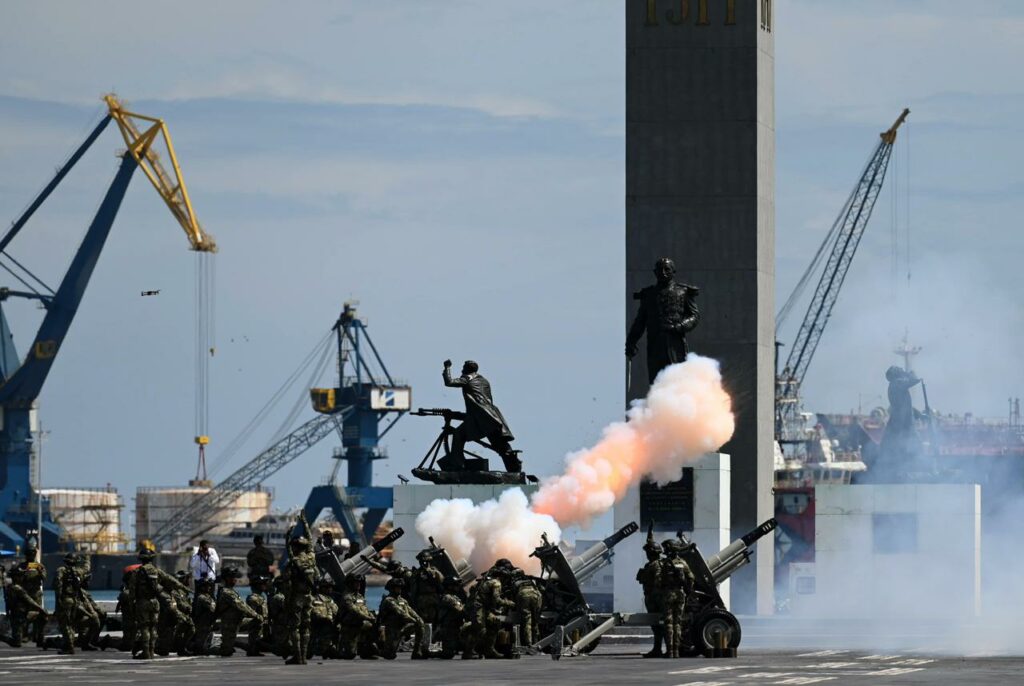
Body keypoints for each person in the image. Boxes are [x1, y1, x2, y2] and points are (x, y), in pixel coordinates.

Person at [626, 257, 700, 384]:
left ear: (673, 271)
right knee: (657, 381)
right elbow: (640, 322)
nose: (663, 273)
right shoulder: (648, 295)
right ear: (655, 272)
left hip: (675, 343)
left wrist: (679, 326)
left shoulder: (683, 292)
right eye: (660, 270)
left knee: (678, 379)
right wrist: (631, 342)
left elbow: (694, 316)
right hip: (655, 343)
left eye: (667, 269)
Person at [442, 359, 520, 472]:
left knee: (458, 435)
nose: (461, 370)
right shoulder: (484, 381)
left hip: (480, 419)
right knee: (501, 446)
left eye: (463, 368)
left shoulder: (467, 378)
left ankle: (457, 466)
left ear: (467, 370)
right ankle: (515, 469)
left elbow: (449, 382)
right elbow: (482, 404)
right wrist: (455, 415)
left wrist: (447, 368)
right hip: (492, 417)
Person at [131, 544, 185, 660]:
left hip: (142, 602)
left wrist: (132, 604)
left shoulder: (137, 572)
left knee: (144, 627)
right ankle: (151, 651)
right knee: (153, 628)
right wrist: (184, 587)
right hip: (155, 602)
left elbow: (132, 590)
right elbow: (171, 580)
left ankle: (145, 652)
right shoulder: (157, 571)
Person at [283, 530, 318, 664]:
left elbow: (286, 580)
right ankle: (304, 656)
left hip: (297, 598)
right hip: (309, 598)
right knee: (306, 627)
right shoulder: (311, 559)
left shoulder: (294, 561)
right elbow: (317, 576)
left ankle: (298, 656)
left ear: (296, 547)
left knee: (294, 627)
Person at [659, 539, 696, 658]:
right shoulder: (682, 563)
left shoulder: (665, 563)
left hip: (668, 594)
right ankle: (676, 651)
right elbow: (691, 578)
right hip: (680, 594)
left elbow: (659, 580)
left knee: (669, 623)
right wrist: (687, 590)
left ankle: (670, 651)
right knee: (678, 623)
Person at [7, 541, 48, 649]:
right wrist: (23, 572)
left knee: (40, 617)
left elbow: (44, 578)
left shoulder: (39, 566)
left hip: (36, 595)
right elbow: (15, 579)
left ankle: (38, 637)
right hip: (24, 596)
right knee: (22, 617)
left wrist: (39, 571)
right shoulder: (21, 566)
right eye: (29, 554)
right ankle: (23, 636)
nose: (31, 556)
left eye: (32, 554)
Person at [215, 566, 262, 657]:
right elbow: (242, 606)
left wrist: (257, 617)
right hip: (229, 624)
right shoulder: (226, 592)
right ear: (227, 579)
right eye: (233, 578)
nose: (235, 580)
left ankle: (251, 648)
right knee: (226, 651)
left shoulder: (230, 591)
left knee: (257, 623)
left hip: (238, 621)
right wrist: (256, 615)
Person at [377, 577, 426, 660]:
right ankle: (373, 650)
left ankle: (417, 651)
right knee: (389, 655)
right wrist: (413, 620)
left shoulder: (402, 600)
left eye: (400, 588)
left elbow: (411, 611)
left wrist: (418, 619)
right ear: (392, 589)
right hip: (393, 628)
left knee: (420, 625)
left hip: (403, 626)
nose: (399, 589)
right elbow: (401, 612)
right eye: (397, 588)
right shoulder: (388, 600)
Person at [636, 526, 665, 658]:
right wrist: (650, 532)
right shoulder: (652, 564)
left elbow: (659, 583)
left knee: (661, 625)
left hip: (656, 600)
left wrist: (655, 596)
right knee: (655, 626)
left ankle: (666, 649)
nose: (646, 554)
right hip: (651, 598)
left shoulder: (657, 565)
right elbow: (650, 543)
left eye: (649, 552)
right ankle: (657, 649)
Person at [336, 574, 377, 659]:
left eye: (359, 582)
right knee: (350, 655)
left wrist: (371, 616)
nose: (359, 584)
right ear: (350, 584)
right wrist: (368, 617)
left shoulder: (359, 596)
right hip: (349, 626)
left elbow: (364, 608)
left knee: (376, 628)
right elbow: (355, 611)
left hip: (360, 623)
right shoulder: (347, 596)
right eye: (356, 583)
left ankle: (367, 650)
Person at [53, 553, 83, 654]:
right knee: (71, 623)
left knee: (64, 623)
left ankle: (69, 647)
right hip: (74, 599)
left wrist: (58, 598)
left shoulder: (61, 570)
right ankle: (68, 645)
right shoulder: (77, 572)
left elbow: (58, 584)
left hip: (65, 599)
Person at [308, 576, 340, 658]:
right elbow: (316, 612)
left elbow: (337, 612)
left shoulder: (331, 600)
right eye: (327, 587)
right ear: (322, 588)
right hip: (319, 625)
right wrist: (326, 619)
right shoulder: (316, 598)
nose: (330, 589)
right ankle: (323, 648)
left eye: (331, 587)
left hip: (331, 624)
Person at [436, 578, 466, 659]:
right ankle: (430, 653)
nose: (458, 587)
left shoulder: (454, 597)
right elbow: (461, 609)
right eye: (456, 585)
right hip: (449, 629)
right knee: (448, 654)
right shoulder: (447, 597)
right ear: (450, 587)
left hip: (455, 627)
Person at [511, 570, 542, 647]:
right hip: (536, 595)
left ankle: (529, 644)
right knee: (535, 621)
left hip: (523, 595)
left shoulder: (516, 583)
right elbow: (541, 589)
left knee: (527, 620)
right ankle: (537, 642)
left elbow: (513, 596)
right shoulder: (531, 580)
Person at [189, 577, 217, 655]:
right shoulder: (202, 598)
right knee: (201, 650)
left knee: (206, 645)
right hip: (202, 626)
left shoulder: (208, 597)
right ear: (202, 587)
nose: (209, 587)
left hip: (207, 625)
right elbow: (214, 609)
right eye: (207, 586)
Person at [246, 575, 270, 656]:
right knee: (255, 636)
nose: (265, 585)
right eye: (262, 584)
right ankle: (252, 650)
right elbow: (251, 614)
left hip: (262, 625)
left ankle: (254, 649)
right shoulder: (253, 598)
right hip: (256, 625)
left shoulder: (261, 597)